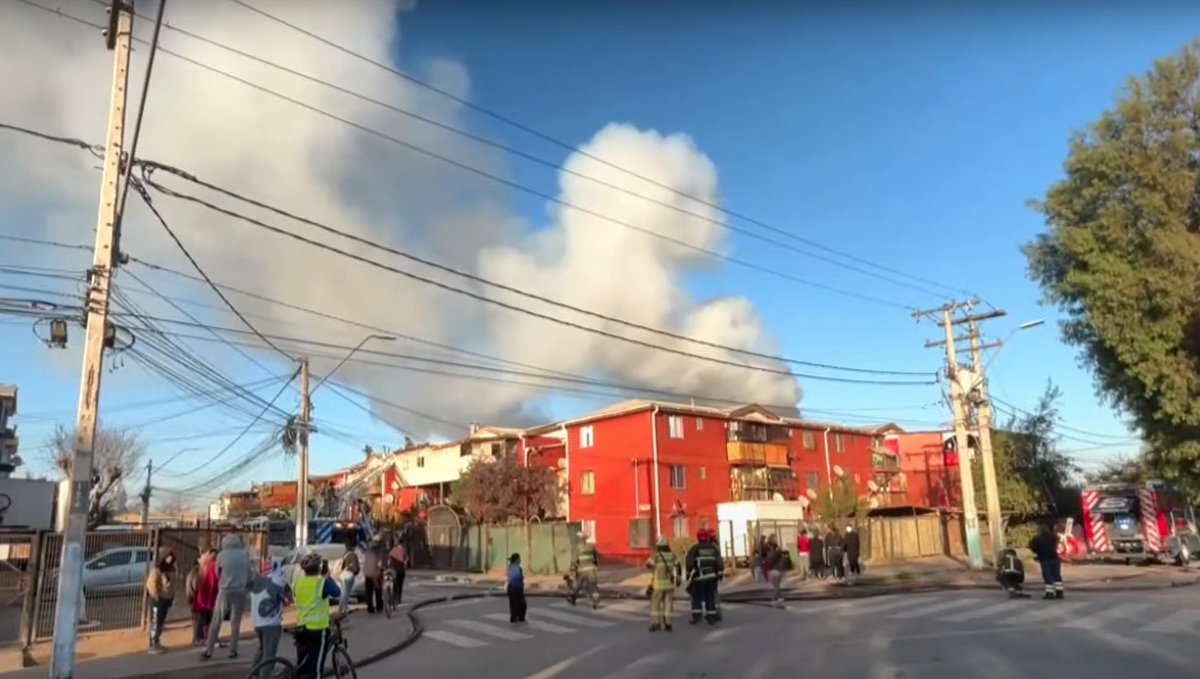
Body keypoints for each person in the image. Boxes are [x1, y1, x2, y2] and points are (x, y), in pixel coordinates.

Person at [204, 534, 253, 660]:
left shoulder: (221, 555)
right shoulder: (244, 554)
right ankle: (233, 650)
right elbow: (249, 572)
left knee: (217, 620)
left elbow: (217, 573)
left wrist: (224, 580)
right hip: (240, 590)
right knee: (235, 622)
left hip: (225, 589)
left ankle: (209, 650)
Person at [294, 553, 342, 679]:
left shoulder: (299, 584)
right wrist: (327, 577)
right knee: (316, 669)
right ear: (319, 568)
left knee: (303, 664)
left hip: (301, 628)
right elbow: (337, 592)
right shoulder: (321, 583)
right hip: (318, 629)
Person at [250, 557, 291, 671]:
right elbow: (288, 600)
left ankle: (253, 673)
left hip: (257, 622)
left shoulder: (257, 580)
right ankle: (264, 676)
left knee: (262, 649)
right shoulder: (278, 581)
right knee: (269, 657)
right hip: (271, 623)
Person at [684, 528, 723, 624]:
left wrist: (689, 573)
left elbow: (689, 563)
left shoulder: (694, 548)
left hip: (699, 577)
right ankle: (711, 616)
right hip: (712, 577)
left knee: (696, 597)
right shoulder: (714, 548)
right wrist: (720, 572)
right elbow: (719, 563)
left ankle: (697, 616)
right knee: (710, 596)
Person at [645, 535, 681, 632]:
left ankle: (656, 624)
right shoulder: (672, 554)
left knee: (655, 604)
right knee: (668, 604)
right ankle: (668, 624)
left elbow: (648, 565)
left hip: (658, 585)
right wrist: (678, 577)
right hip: (669, 584)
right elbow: (678, 565)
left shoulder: (656, 555)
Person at [145, 548, 176, 654]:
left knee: (161, 623)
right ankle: (153, 644)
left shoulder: (171, 570)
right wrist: (156, 596)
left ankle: (157, 642)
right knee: (155, 622)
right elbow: (150, 585)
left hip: (166, 600)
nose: (170, 559)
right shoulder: (157, 570)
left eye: (171, 557)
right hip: (158, 600)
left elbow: (171, 586)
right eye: (168, 557)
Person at [189, 549, 219, 647]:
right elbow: (212, 584)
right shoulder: (208, 567)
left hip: (203, 599)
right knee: (202, 620)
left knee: (203, 619)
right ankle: (202, 638)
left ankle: (203, 638)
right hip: (204, 599)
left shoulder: (205, 566)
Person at [1029, 523, 1064, 600]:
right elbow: (1058, 539)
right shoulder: (1053, 537)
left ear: (1039, 531)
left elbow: (1032, 547)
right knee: (1057, 575)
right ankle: (1059, 592)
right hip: (1055, 558)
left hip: (1045, 559)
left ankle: (1049, 593)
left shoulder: (1037, 539)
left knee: (1047, 576)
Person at [568, 533, 600, 609]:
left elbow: (575, 560)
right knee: (592, 586)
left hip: (582, 570)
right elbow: (596, 557)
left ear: (580, 539)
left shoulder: (577, 548)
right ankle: (596, 601)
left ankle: (573, 598)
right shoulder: (591, 546)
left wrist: (573, 569)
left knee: (577, 585)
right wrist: (595, 565)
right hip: (592, 569)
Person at [362, 535, 386, 614]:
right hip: (376, 574)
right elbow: (380, 562)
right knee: (378, 590)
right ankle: (379, 606)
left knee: (369, 591)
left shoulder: (368, 549)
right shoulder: (379, 550)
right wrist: (382, 568)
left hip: (367, 573)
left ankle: (370, 607)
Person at [339, 540, 360, 615]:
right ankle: (345, 608)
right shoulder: (352, 555)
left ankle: (341, 607)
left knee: (343, 592)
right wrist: (356, 571)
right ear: (352, 547)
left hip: (343, 575)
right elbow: (355, 567)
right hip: (349, 575)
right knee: (347, 592)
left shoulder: (345, 554)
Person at [387, 534, 409, 606]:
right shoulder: (403, 550)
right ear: (402, 543)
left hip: (393, 569)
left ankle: (392, 597)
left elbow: (389, 559)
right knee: (400, 584)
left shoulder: (393, 550)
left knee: (393, 583)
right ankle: (398, 599)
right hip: (400, 569)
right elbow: (406, 560)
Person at [763, 536, 785, 605]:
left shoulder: (771, 553)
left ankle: (775, 598)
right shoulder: (780, 553)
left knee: (775, 586)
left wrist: (765, 561)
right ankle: (780, 597)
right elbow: (783, 560)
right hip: (779, 570)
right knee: (777, 585)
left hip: (773, 570)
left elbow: (768, 561)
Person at [507, 553, 526, 623]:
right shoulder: (518, 568)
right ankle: (520, 617)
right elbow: (520, 578)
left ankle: (513, 618)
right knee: (522, 604)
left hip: (510, 587)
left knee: (513, 604)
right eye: (519, 559)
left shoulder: (510, 567)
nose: (520, 560)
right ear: (516, 560)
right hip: (517, 588)